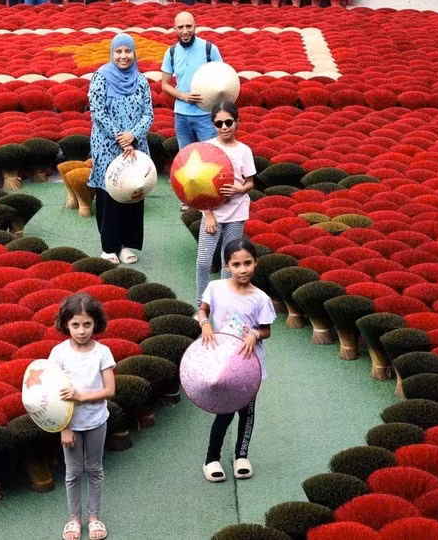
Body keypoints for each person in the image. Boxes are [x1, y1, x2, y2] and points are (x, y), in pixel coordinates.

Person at [196, 238, 276, 483]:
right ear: (227, 265)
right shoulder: (216, 288)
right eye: (237, 264)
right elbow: (203, 310)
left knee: (247, 411)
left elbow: (266, 330)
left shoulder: (260, 298)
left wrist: (254, 333)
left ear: (255, 263)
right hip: (222, 362)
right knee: (225, 411)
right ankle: (212, 459)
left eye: (248, 263)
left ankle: (242, 456)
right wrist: (205, 324)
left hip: (249, 364)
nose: (243, 269)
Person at [49, 293, 116, 540]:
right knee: (73, 471)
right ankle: (74, 518)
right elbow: (52, 393)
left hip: (97, 421)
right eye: (75, 324)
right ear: (66, 323)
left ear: (95, 323)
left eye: (87, 324)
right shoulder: (58, 353)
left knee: (95, 469)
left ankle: (94, 516)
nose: (81, 330)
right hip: (71, 425)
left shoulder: (102, 352)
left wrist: (80, 397)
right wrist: (64, 427)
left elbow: (109, 390)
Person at [88, 33, 154, 265]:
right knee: (109, 194)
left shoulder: (141, 80)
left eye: (128, 51)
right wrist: (120, 138)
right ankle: (109, 247)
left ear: (134, 53)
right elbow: (98, 112)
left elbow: (149, 113)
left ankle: (125, 244)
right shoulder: (101, 77)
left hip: (136, 148)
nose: (123, 56)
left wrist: (133, 136)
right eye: (119, 51)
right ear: (112, 53)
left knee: (132, 193)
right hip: (107, 147)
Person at [196, 101, 255, 308]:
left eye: (228, 122)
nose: (224, 127)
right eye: (219, 123)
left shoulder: (244, 151)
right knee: (203, 262)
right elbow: (198, 186)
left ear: (237, 122)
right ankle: (201, 307)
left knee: (227, 263)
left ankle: (222, 306)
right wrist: (208, 213)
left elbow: (249, 182)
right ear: (213, 125)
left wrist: (239, 190)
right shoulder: (208, 148)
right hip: (213, 214)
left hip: (237, 212)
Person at [160, 11, 222, 151]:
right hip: (181, 115)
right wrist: (183, 96)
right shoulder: (171, 52)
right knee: (186, 157)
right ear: (175, 29)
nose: (185, 31)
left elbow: (222, 78)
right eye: (180, 27)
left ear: (195, 26)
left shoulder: (209, 49)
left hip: (205, 114)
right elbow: (165, 84)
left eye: (189, 26)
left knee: (210, 154)